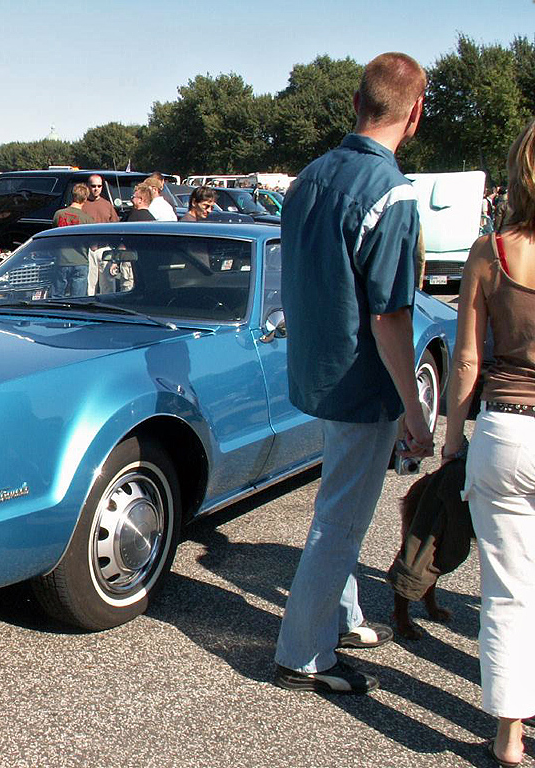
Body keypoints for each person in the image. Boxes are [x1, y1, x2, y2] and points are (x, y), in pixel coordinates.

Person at [273, 52, 433, 695]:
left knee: (336, 505)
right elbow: (390, 318)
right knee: (339, 519)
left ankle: (341, 617)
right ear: (414, 113)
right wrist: (417, 415)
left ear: (357, 105)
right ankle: (303, 654)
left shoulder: (308, 177)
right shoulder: (390, 191)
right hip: (361, 380)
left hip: (318, 369)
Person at [441, 118, 535, 767]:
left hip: (504, 428)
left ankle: (507, 737)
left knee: (507, 590)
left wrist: (451, 439)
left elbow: (467, 359)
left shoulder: (490, 251)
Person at [51, 183, 94, 297]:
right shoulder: (88, 219)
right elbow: (93, 244)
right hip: (80, 261)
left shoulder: (59, 214)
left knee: (57, 297)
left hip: (61, 260)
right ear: (85, 199)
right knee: (77, 299)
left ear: (72, 196)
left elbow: (52, 236)